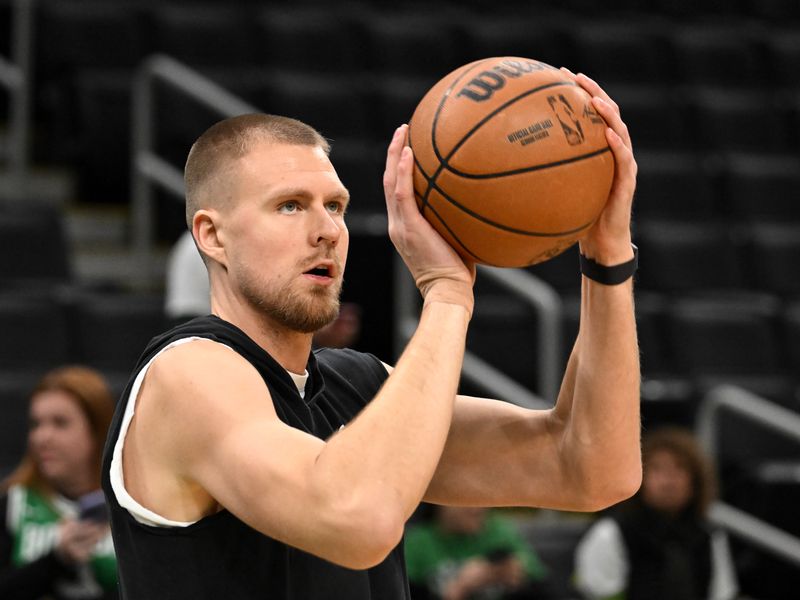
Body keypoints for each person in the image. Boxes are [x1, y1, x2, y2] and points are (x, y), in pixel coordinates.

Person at [101, 67, 641, 599]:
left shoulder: (356, 386)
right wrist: (448, 295)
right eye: (290, 205)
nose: (326, 232)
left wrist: (607, 257)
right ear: (213, 236)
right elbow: (355, 521)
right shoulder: (187, 370)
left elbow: (591, 468)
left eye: (334, 206)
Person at [574, 427, 739, 600]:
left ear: (696, 482)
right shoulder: (610, 533)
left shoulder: (710, 535)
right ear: (637, 478)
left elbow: (722, 594)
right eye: (657, 469)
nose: (668, 481)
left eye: (680, 469)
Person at [0, 366, 118, 600]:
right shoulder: (12, 504)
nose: (42, 437)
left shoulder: (130, 506)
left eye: (60, 423)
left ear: (97, 430)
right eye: (36, 424)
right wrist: (57, 559)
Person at [405, 506, 558, 599]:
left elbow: (545, 588)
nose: (476, 510)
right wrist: (460, 587)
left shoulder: (499, 531)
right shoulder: (418, 542)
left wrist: (518, 580)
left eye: (481, 501)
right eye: (466, 503)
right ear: (440, 504)